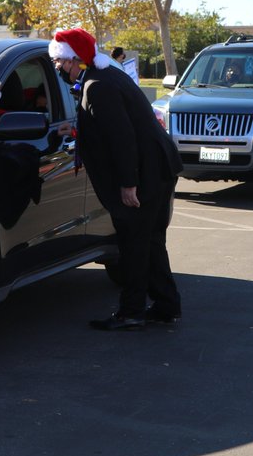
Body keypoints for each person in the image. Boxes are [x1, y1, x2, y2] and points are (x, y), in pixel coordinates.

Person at [50, 28, 183, 331]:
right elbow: (111, 128)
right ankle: (166, 305)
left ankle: (132, 311)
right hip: (158, 168)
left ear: (75, 61)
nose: (58, 68)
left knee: (135, 244)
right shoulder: (107, 75)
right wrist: (75, 133)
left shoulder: (98, 87)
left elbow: (122, 139)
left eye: (61, 62)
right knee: (149, 243)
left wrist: (128, 184)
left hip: (144, 175)